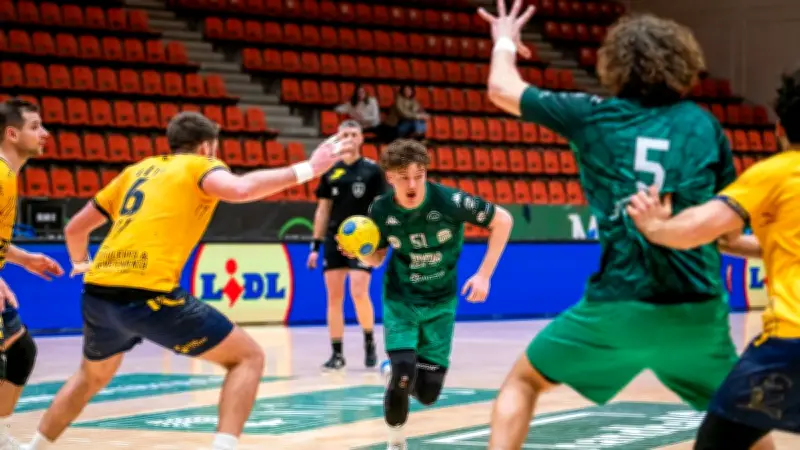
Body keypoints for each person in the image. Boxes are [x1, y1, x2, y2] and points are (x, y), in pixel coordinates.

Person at [477, 1, 775, 449]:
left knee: (523, 382)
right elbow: (726, 235)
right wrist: (780, 247)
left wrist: (504, 38)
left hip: (615, 307)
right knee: (742, 423)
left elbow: (501, 89)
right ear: (683, 61)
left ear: (613, 63)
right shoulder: (704, 125)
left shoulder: (592, 115)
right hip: (695, 314)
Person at [24, 112, 357, 450]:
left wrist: (81, 264)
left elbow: (74, 228)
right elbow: (241, 190)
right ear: (207, 146)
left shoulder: (136, 170)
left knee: (89, 377)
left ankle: (33, 446)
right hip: (147, 294)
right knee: (248, 358)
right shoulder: (200, 166)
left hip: (98, 293)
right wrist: (308, 169)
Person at [626, 66, 800, 450]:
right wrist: (737, 245)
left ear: (780, 128)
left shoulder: (778, 173)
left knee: (718, 443)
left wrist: (655, 227)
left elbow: (698, 228)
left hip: (791, 344)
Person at [339, 139, 514, 450]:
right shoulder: (380, 210)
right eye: (403, 176)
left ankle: (392, 373)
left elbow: (503, 220)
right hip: (401, 300)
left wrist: (484, 275)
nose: (412, 184)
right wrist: (360, 253)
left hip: (441, 302)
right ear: (389, 177)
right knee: (404, 375)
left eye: (419, 175)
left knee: (429, 393)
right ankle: (396, 441)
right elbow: (378, 259)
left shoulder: (449, 201)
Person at [0, 99, 65, 450]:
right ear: (12, 133)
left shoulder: (8, 175)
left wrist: (22, 259)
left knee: (20, 351)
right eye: (35, 126)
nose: (45, 133)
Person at [307, 120, 386, 371]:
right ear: (338, 139)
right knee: (334, 296)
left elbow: (382, 207)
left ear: (361, 139)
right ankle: (337, 353)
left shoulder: (373, 171)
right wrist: (315, 245)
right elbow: (323, 210)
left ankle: (369, 339)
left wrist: (379, 242)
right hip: (334, 239)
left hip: (363, 241)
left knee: (359, 291)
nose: (349, 138)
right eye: (344, 135)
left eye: (354, 134)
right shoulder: (331, 172)